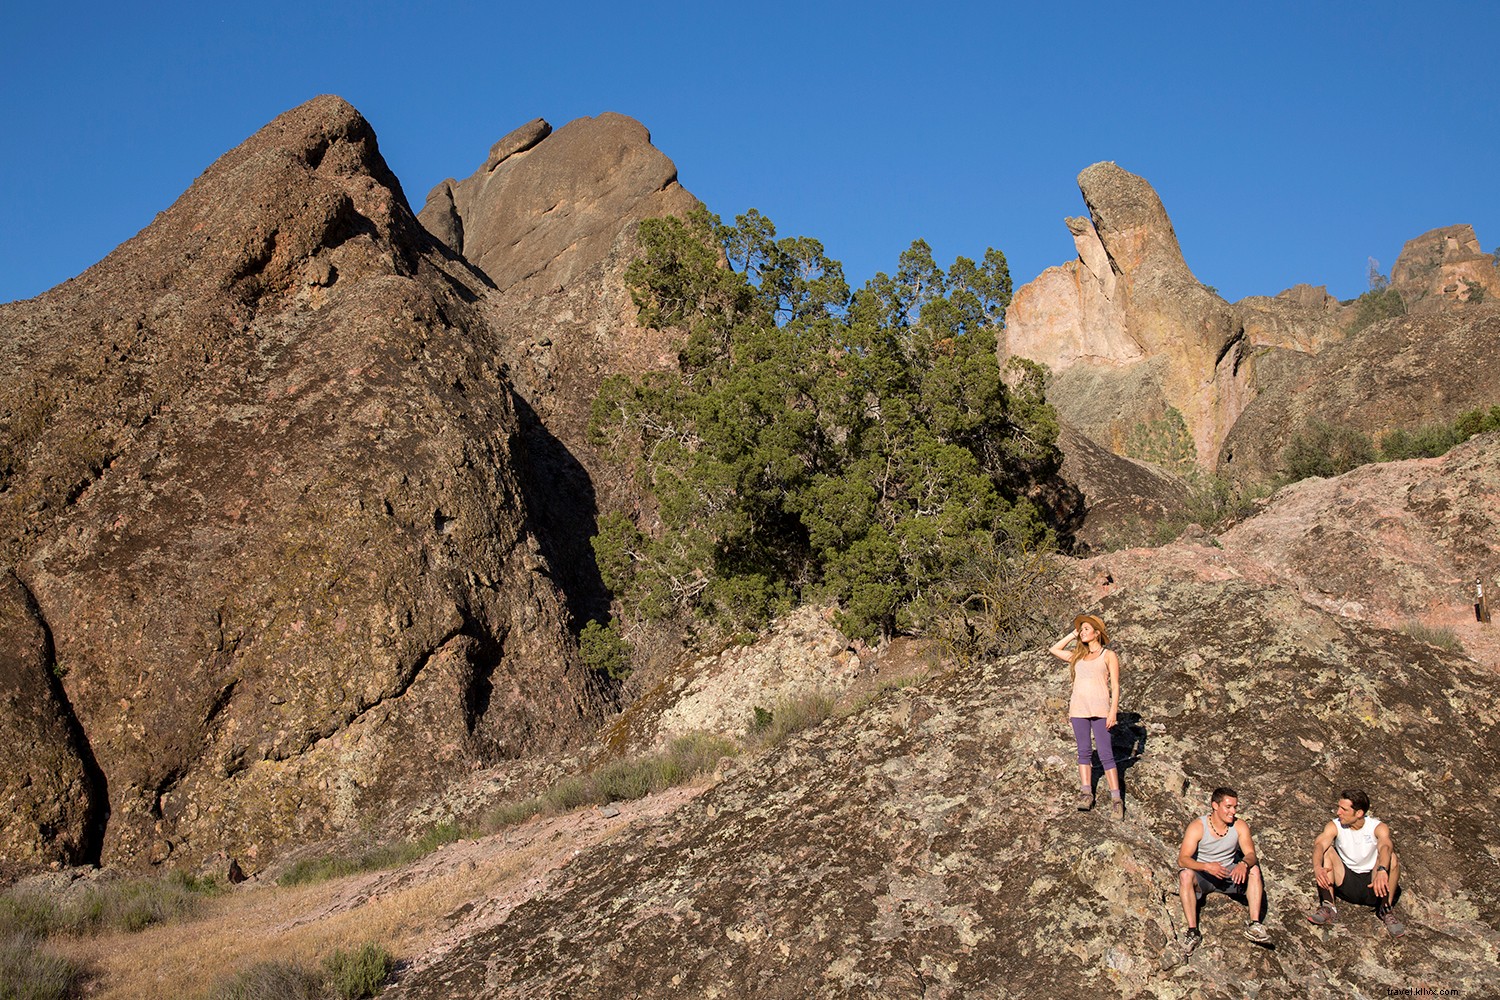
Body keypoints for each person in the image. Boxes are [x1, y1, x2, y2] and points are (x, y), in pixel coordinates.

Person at [1177, 787, 1272, 953]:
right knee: (1185, 875)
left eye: (1235, 807)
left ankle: (1255, 925)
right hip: (1205, 875)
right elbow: (1183, 859)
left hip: (1229, 874)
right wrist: (1206, 866)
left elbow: (1251, 854)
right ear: (1215, 805)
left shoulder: (1240, 826)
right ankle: (1193, 931)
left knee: (1254, 870)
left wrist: (1243, 864)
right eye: (1228, 807)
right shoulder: (1198, 826)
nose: (1233, 812)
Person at [1049, 613, 1122, 818]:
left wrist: (1113, 711)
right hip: (1079, 710)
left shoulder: (1108, 655)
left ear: (1097, 633)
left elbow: (1115, 686)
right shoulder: (1078, 656)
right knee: (1084, 752)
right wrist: (1073, 634)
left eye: (1086, 629)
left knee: (1106, 754)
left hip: (1100, 710)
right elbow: (1053, 649)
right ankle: (1086, 793)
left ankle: (1116, 799)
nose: (1083, 632)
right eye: (1081, 629)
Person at [1307, 788, 1406, 936]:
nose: (1338, 812)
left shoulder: (1377, 827)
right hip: (1346, 881)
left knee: (1391, 858)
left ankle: (1385, 909)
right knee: (1326, 851)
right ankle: (1328, 906)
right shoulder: (1335, 825)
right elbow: (1319, 845)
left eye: (1343, 809)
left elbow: (1385, 846)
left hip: (1373, 885)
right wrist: (1317, 867)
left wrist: (1381, 870)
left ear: (1359, 813)